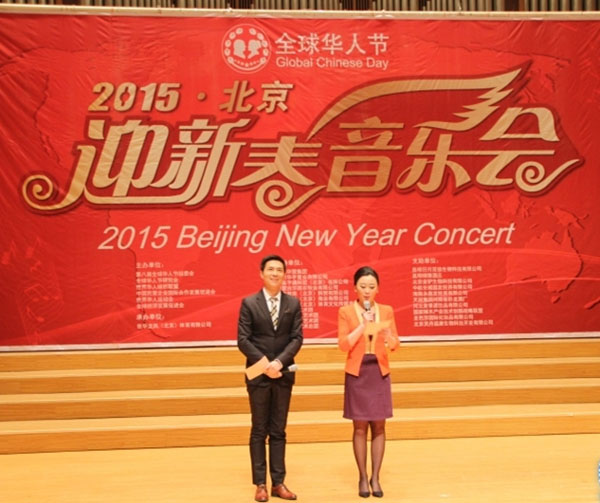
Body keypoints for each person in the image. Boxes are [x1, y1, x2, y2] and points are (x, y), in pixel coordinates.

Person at [238, 254, 303, 502]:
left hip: (283, 373)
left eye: (279, 270)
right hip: (258, 374)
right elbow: (243, 340)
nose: (275, 273)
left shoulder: (293, 303)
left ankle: (278, 482)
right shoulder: (249, 303)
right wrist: (266, 365)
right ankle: (260, 484)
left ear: (284, 274)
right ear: (261, 273)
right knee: (259, 429)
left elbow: (296, 338)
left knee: (278, 430)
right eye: (270, 269)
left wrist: (279, 363)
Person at [338, 266, 399, 498]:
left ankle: (376, 477)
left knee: (380, 426)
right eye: (363, 286)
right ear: (355, 288)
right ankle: (363, 477)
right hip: (358, 371)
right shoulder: (346, 311)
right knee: (360, 427)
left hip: (379, 371)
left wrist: (388, 336)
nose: (367, 290)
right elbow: (343, 345)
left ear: (378, 289)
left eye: (371, 287)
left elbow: (395, 345)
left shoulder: (386, 310)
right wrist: (362, 327)